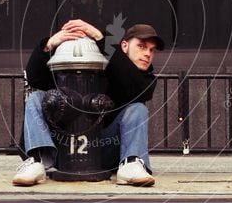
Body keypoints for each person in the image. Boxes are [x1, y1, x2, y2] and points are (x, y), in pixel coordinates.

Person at [13, 19, 165, 187]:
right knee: (36, 98)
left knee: (138, 109)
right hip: (62, 148)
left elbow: (131, 84)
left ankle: (131, 163)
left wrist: (100, 37)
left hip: (104, 150)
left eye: (152, 50)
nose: (147, 54)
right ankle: (37, 160)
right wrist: (49, 45)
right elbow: (35, 79)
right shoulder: (103, 63)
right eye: (142, 46)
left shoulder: (146, 79)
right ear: (124, 46)